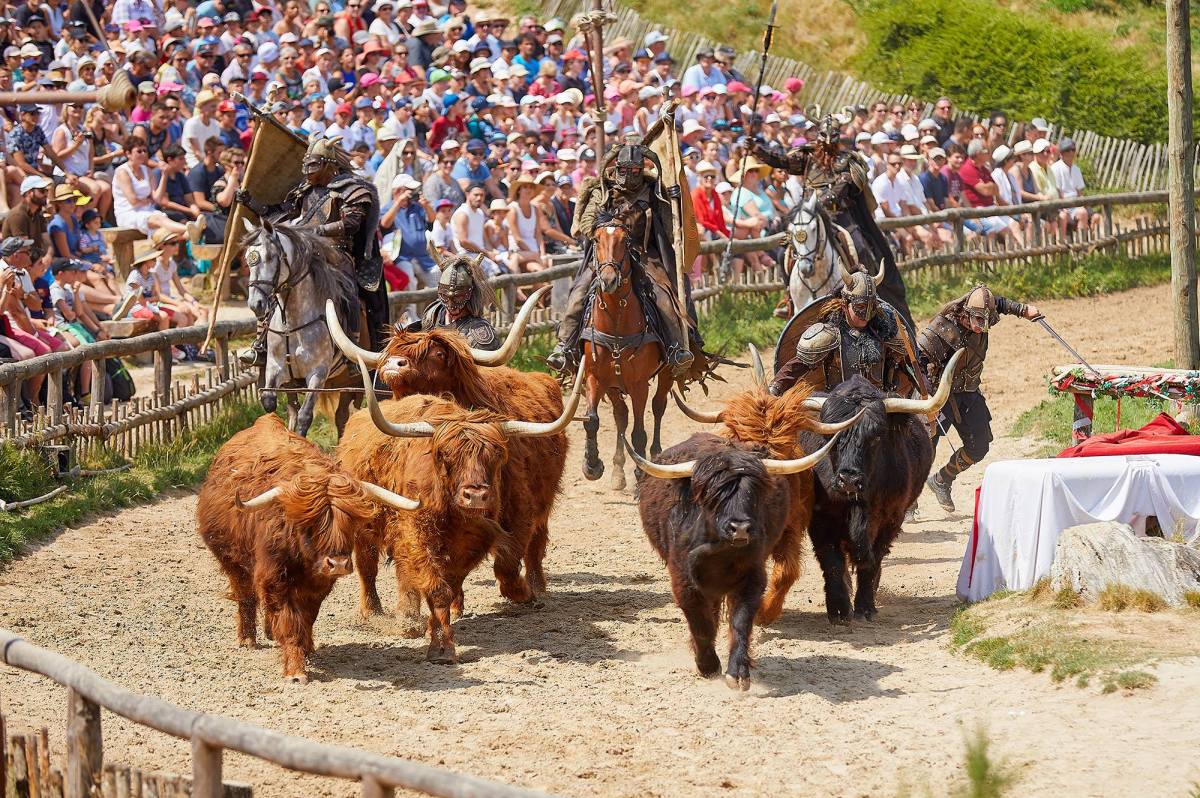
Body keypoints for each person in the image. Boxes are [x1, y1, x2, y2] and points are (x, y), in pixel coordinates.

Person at [546, 129, 700, 378]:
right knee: (579, 293)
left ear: (642, 170)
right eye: (624, 171)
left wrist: (675, 203)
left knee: (664, 297)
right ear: (616, 168)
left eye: (635, 172)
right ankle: (564, 348)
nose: (628, 177)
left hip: (644, 253)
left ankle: (676, 348)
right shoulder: (602, 191)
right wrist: (607, 228)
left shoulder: (653, 192)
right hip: (608, 254)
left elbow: (672, 231)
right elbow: (586, 224)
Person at [750, 115, 913, 328]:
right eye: (823, 137)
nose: (826, 142)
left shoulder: (847, 160)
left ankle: (865, 296)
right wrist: (757, 150)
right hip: (811, 216)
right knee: (784, 253)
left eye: (831, 137)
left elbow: (849, 184)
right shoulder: (807, 158)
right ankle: (789, 298)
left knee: (861, 248)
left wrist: (830, 196)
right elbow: (782, 161)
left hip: (839, 216)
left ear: (837, 138)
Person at [236, 136, 386, 362]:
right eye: (306, 165)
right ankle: (261, 343)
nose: (307, 171)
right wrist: (251, 203)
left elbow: (352, 223)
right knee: (274, 283)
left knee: (348, 292)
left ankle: (352, 348)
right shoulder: (304, 191)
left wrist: (318, 232)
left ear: (329, 165)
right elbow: (281, 214)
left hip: (337, 253)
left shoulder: (352, 189)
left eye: (314, 165)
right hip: (305, 253)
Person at [919, 285, 1041, 511]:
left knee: (979, 447)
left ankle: (942, 480)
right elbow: (918, 363)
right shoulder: (940, 329)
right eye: (977, 320)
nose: (981, 328)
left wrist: (1024, 310)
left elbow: (1000, 303)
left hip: (968, 393)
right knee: (925, 451)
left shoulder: (983, 318)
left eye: (985, 322)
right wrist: (927, 400)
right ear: (965, 313)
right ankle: (909, 502)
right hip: (939, 396)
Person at [768, 266, 908, 396]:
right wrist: (775, 388)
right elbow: (796, 367)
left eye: (871, 307)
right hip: (841, 406)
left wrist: (924, 382)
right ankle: (789, 299)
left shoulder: (885, 332)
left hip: (880, 405)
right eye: (860, 306)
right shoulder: (829, 335)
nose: (866, 315)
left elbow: (907, 366)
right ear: (845, 304)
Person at [410, 249, 499, 349]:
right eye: (445, 296)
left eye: (458, 296)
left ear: (469, 293)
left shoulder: (480, 334)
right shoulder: (433, 313)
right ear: (440, 291)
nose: (451, 305)